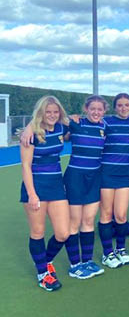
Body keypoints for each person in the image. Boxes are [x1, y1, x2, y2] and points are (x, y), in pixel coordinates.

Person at [20, 96, 70, 291]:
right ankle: (43, 274)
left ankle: (45, 261)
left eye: (55, 112)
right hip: (36, 186)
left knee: (63, 233)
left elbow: (76, 122)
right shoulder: (30, 135)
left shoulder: (60, 128)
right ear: (41, 113)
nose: (52, 115)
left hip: (56, 186)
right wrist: (32, 194)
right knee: (38, 232)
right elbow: (25, 165)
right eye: (47, 112)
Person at [63, 95, 108, 278]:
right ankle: (75, 265)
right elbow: (55, 123)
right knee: (74, 222)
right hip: (75, 177)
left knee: (88, 221)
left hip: (94, 177)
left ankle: (87, 261)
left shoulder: (105, 127)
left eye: (100, 109)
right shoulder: (76, 123)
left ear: (104, 111)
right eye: (93, 109)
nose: (96, 112)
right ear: (86, 109)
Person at [98, 93, 129, 267]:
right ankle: (107, 253)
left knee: (121, 215)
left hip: (124, 176)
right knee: (106, 214)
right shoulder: (106, 123)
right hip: (106, 174)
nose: (123, 108)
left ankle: (120, 249)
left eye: (126, 105)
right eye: (120, 105)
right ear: (115, 107)